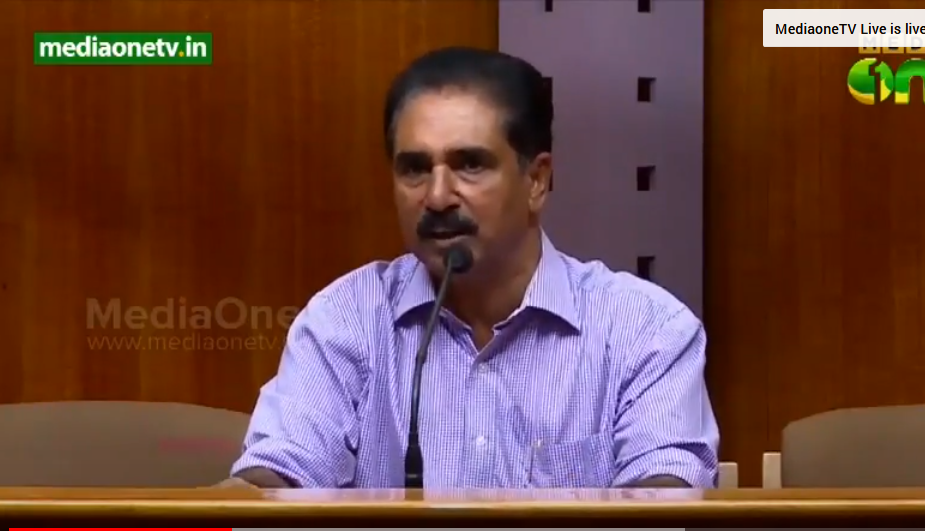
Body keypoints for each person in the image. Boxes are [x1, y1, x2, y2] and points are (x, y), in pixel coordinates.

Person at [224, 47, 719, 489]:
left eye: (470, 164)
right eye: (415, 168)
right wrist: (239, 500)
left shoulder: (643, 330)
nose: (438, 196)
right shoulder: (347, 319)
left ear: (536, 181)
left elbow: (666, 500)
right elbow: (278, 474)